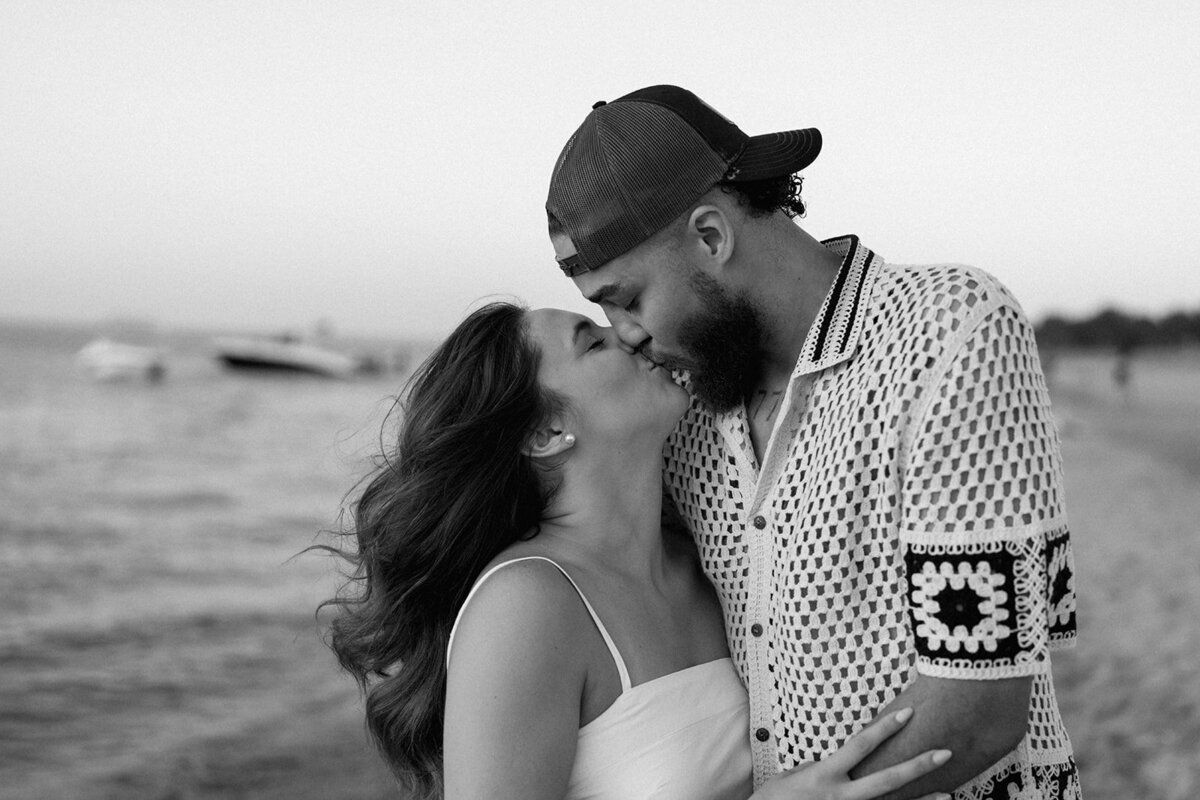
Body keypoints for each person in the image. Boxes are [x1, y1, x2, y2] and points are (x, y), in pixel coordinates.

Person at [545, 86, 1080, 800]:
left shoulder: (949, 331)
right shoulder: (684, 410)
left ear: (710, 237)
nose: (625, 333)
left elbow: (979, 705)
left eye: (627, 297)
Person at [320, 301, 956, 800]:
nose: (630, 334)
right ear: (547, 432)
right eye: (593, 341)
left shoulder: (709, 559)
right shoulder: (527, 605)